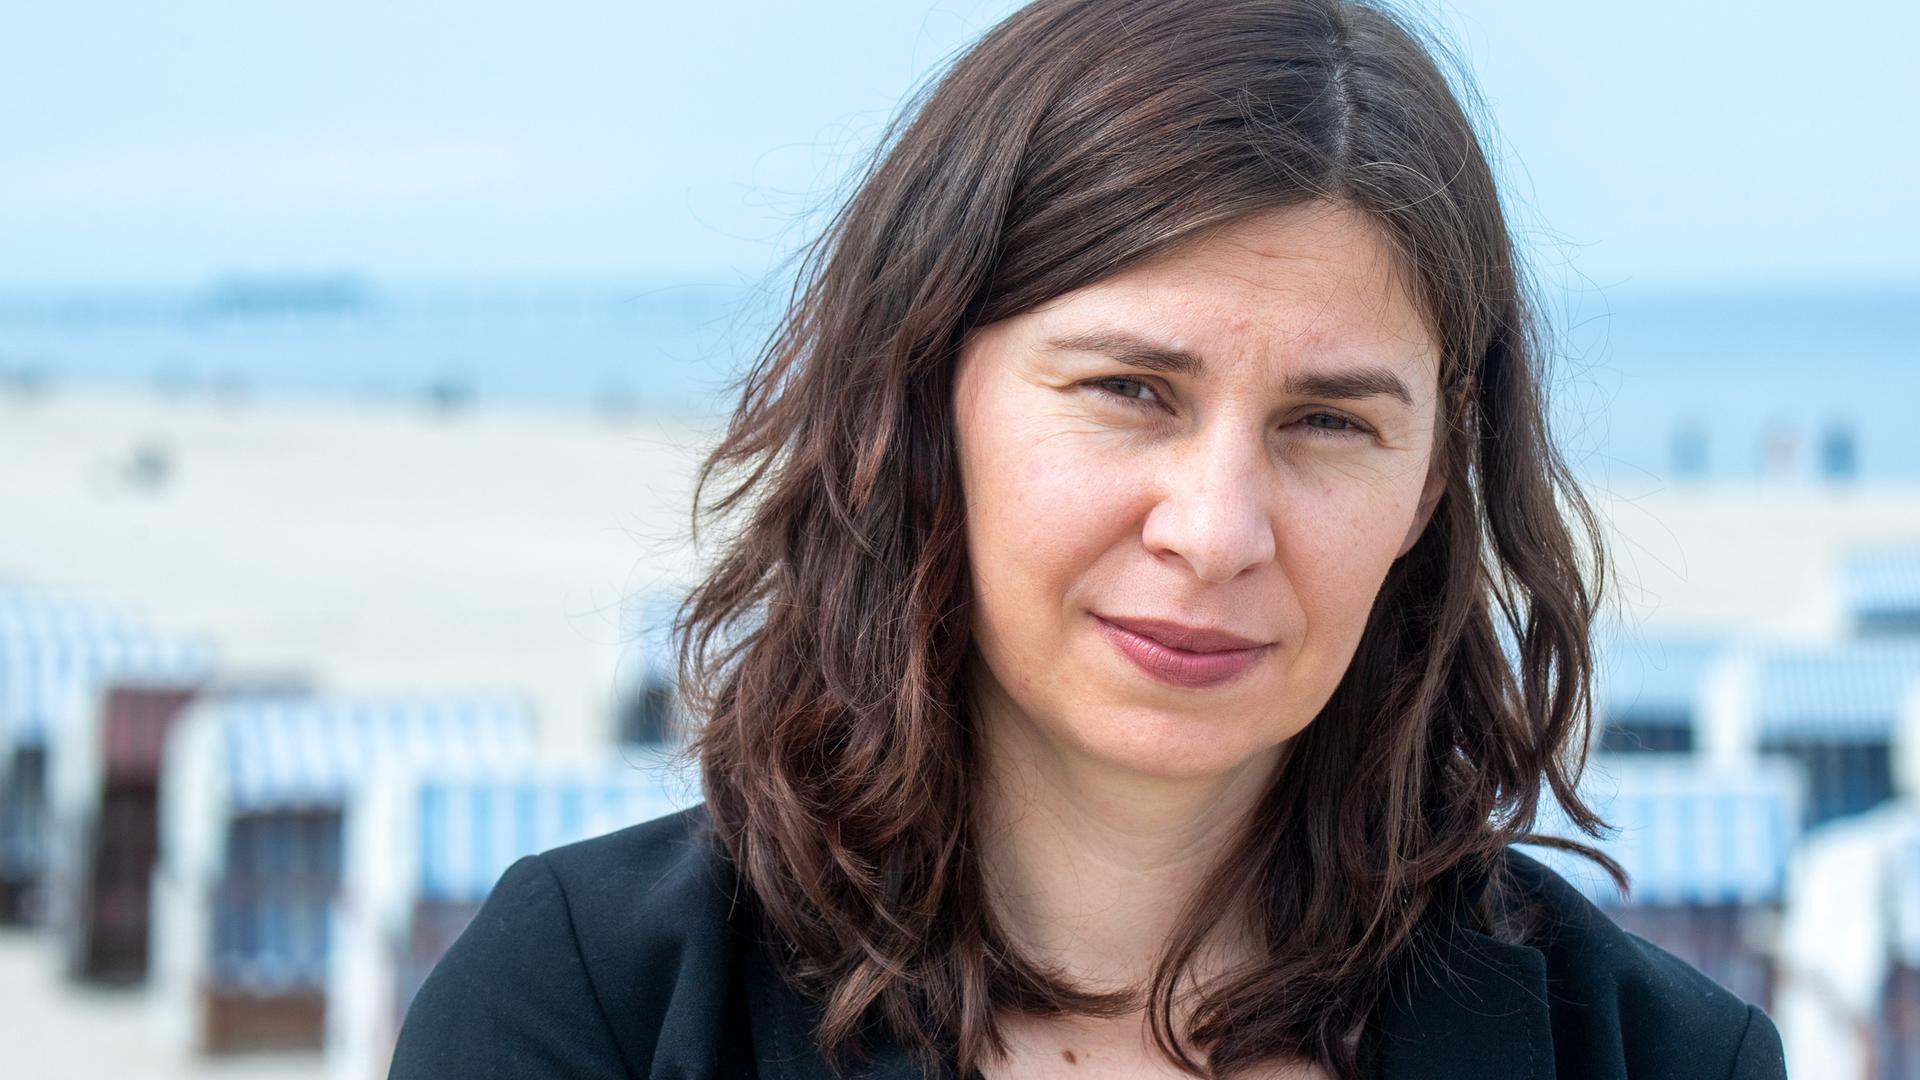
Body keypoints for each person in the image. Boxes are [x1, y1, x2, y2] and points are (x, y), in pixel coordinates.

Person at [387, 1, 1787, 1077]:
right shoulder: (590, 1007)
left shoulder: (1652, 1053)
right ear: (924, 398)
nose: (1216, 530)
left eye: (1329, 422)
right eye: (1131, 391)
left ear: (1434, 475)